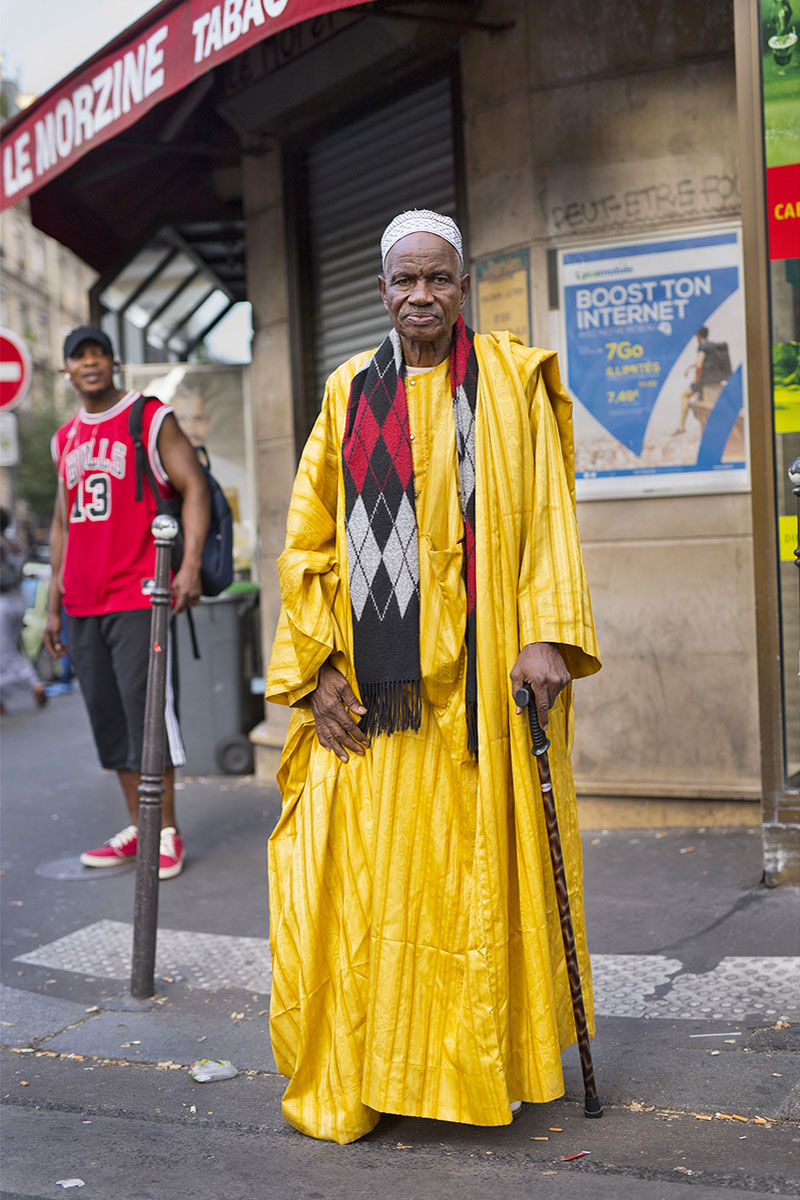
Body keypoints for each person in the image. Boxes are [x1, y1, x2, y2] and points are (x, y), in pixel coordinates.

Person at [265, 210, 601, 1144]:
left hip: (490, 683)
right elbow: (306, 543)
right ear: (382, 291)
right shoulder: (347, 392)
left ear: (464, 286)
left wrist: (546, 635)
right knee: (376, 885)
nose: (422, 295)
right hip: (381, 694)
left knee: (481, 877)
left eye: (438, 278)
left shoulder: (510, 381)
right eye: (405, 280)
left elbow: (549, 515)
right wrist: (320, 670)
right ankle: (379, 1070)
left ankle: (484, 1064)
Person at [44, 326, 210, 879]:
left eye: (99, 353)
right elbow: (63, 524)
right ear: (67, 370)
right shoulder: (64, 438)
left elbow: (194, 486)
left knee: (147, 714)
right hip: (83, 601)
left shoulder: (147, 417)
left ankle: (166, 831)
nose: (90, 362)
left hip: (140, 594)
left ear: (113, 363)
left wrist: (188, 566)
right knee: (110, 719)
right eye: (79, 356)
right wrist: (53, 605)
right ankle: (139, 827)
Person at [0, 507, 47, 714]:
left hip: (3, 603)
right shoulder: (15, 543)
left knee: (5, 651)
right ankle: (32, 682)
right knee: (14, 647)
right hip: (19, 599)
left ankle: (32, 682)